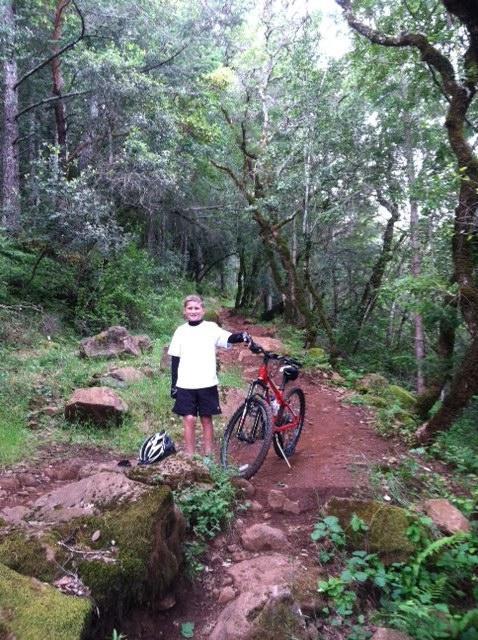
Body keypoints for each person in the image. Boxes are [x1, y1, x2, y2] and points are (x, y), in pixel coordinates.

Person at [168, 295, 249, 457]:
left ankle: (209, 456)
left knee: (206, 418)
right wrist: (174, 384)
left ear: (203, 311)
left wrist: (242, 336)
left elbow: (228, 338)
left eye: (196, 308)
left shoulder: (211, 328)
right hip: (185, 383)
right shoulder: (180, 331)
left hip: (207, 382)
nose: (193, 311)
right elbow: (175, 359)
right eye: (190, 308)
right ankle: (190, 455)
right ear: (185, 311)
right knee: (189, 418)